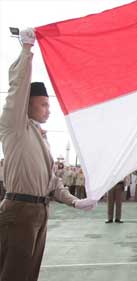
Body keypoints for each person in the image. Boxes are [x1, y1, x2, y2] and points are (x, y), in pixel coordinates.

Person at [0, 29, 96, 281]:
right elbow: (16, 89)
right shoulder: (14, 127)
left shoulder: (40, 137)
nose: (48, 110)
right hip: (19, 210)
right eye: (43, 104)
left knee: (29, 272)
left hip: (39, 212)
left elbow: (52, 182)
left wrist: (75, 201)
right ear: (27, 104)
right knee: (13, 273)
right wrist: (27, 51)